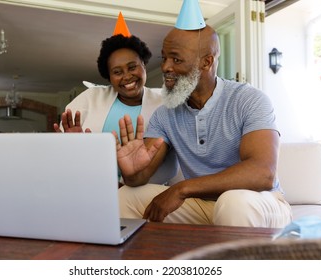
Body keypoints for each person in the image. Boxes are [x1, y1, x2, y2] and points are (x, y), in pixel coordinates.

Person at [115, 24, 293, 227]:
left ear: (206, 62)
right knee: (128, 195)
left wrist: (182, 189)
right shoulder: (164, 115)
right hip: (202, 205)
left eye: (176, 59)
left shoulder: (248, 99)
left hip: (259, 203)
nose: (165, 67)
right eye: (164, 58)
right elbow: (140, 177)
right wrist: (132, 173)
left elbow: (262, 173)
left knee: (233, 202)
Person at [53, 14, 179, 184]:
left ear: (144, 63)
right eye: (117, 72)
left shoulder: (166, 103)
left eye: (132, 67)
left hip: (147, 195)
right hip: (92, 187)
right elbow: (65, 153)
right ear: (109, 77)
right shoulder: (90, 99)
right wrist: (74, 148)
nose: (127, 76)